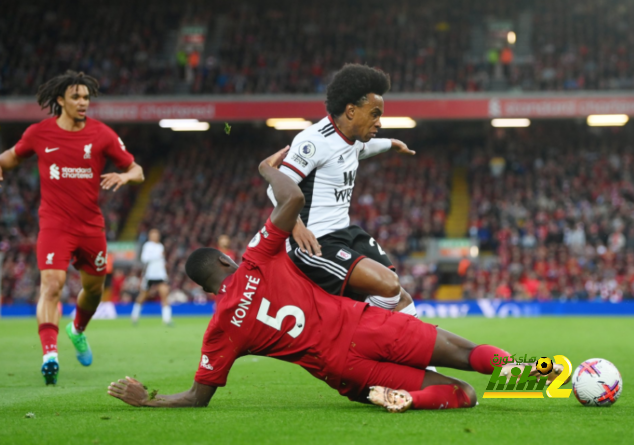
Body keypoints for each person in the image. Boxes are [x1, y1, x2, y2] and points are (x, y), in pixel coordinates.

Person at [107, 148, 519, 413]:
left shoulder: (220, 330)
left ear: (205, 289)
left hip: (342, 368)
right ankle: (532, 372)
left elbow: (197, 398)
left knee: (462, 394)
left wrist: (151, 401)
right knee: (464, 353)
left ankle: (411, 399)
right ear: (224, 258)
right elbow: (294, 200)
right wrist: (266, 169)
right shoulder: (257, 260)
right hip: (365, 325)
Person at [0, 71, 145, 385]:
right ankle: (50, 356)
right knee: (51, 285)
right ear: (60, 100)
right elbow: (9, 159)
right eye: (76, 97)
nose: (83, 102)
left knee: (93, 291)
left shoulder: (102, 134)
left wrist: (124, 176)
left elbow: (138, 170)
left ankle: (77, 330)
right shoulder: (39, 133)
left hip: (91, 227)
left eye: (86, 97)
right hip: (54, 226)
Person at [267, 64, 418, 316]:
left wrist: (392, 144)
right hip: (314, 243)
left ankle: (411, 350)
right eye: (374, 114)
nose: (379, 122)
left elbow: (364, 149)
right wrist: (295, 226)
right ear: (350, 111)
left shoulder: (352, 140)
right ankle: (360, 338)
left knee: (401, 298)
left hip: (346, 235)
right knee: (387, 287)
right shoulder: (313, 142)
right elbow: (276, 188)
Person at [131, 229, 171, 326]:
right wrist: (158, 256)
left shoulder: (160, 246)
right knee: (143, 296)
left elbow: (161, 261)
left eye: (156, 235)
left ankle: (167, 319)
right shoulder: (147, 246)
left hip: (160, 275)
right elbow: (144, 258)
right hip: (150, 275)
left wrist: (165, 271)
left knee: (164, 294)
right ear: (150, 236)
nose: (155, 237)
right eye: (153, 235)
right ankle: (134, 316)